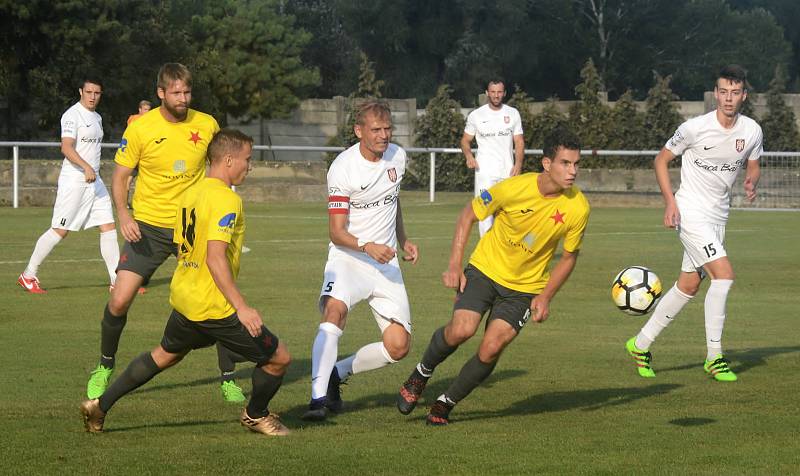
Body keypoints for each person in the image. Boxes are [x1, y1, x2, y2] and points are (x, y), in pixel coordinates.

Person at [80, 128, 292, 436]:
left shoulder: (189, 194)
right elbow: (215, 258)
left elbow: (183, 248)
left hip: (185, 297)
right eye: (247, 159)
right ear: (229, 160)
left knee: (165, 354)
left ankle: (99, 405)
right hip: (214, 307)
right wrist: (242, 308)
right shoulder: (227, 200)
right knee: (279, 358)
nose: (249, 166)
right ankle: (255, 414)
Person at [397, 127, 590, 426]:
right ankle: (421, 373)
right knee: (462, 330)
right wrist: (454, 265)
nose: (573, 171)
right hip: (486, 270)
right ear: (547, 163)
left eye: (577, 164)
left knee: (491, 348)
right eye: (566, 163)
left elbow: (569, 256)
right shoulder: (512, 188)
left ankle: (445, 403)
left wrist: (546, 295)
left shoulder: (578, 207)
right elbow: (467, 216)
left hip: (525, 289)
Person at [85, 63, 246, 404]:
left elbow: (220, 163)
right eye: (176, 93)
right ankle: (104, 366)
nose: (183, 98)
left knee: (219, 296)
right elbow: (122, 174)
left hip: (194, 225)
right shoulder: (142, 128)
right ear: (161, 93)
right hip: (149, 226)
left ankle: (229, 378)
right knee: (119, 298)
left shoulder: (206, 124)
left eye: (187, 92)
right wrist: (124, 213)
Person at [625, 64, 762, 382]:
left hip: (719, 216)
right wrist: (670, 201)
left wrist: (752, 181)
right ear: (716, 94)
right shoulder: (693, 128)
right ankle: (715, 357)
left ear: (744, 95)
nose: (728, 99)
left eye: (735, 93)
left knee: (688, 285)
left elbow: (753, 164)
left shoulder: (752, 131)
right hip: (690, 211)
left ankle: (640, 344)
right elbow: (661, 160)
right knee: (724, 277)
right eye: (723, 92)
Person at [302, 101, 419, 422]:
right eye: (376, 130)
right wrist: (367, 246)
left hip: (385, 265)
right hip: (349, 259)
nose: (384, 136)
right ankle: (318, 400)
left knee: (398, 347)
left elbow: (393, 201)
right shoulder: (342, 167)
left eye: (388, 129)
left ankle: (337, 373)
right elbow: (337, 232)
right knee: (334, 312)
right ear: (359, 131)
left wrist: (404, 238)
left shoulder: (398, 156)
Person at [17, 77, 120, 294]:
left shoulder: (98, 117)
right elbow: (66, 147)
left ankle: (116, 280)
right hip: (75, 181)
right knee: (60, 230)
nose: (93, 97)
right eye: (89, 92)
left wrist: (92, 171)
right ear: (81, 91)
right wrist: (86, 167)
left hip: (94, 182)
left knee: (108, 226)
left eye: (97, 93)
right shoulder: (72, 115)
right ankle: (28, 275)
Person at [460, 79, 525, 237]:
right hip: (485, 173)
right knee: (485, 214)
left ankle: (507, 250)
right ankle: (486, 252)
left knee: (509, 213)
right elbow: (465, 141)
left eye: (499, 92)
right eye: (493, 92)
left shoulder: (513, 113)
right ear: (487, 93)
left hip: (508, 172)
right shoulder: (476, 115)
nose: (496, 95)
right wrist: (468, 156)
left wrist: (518, 164)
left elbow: (519, 141)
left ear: (504, 93)